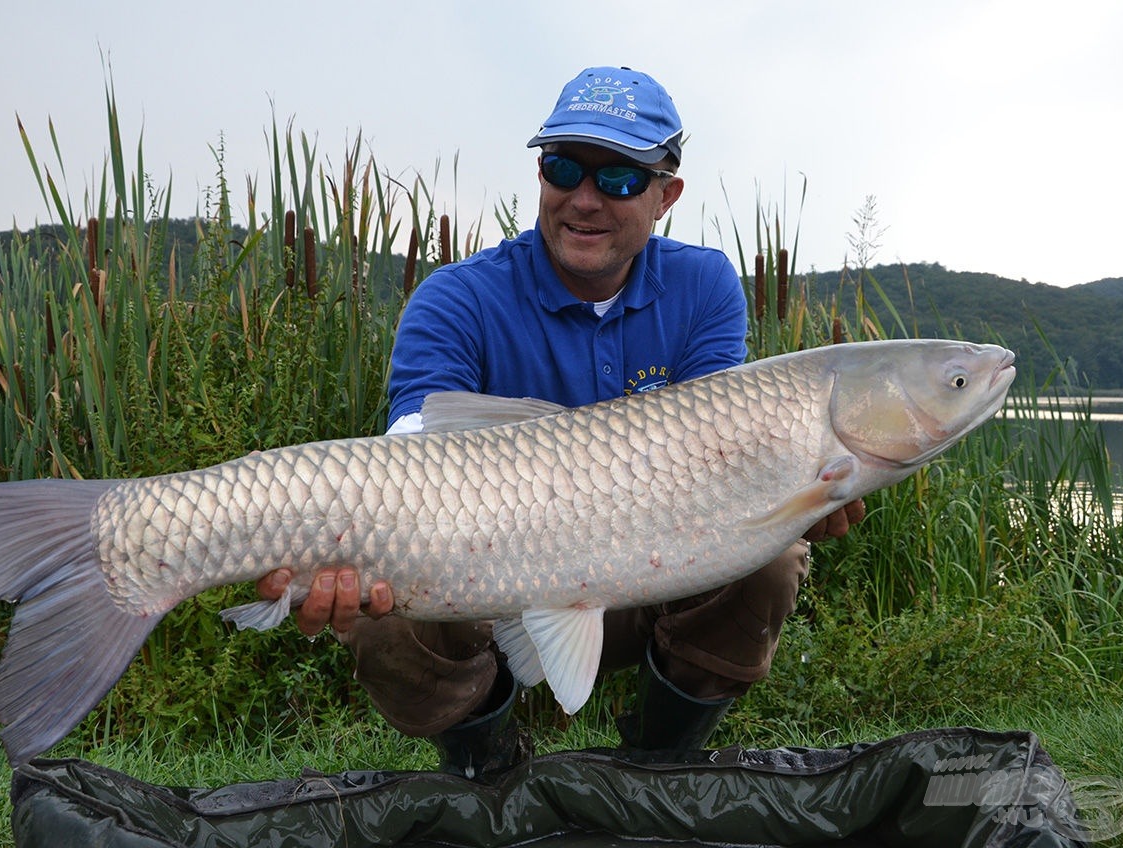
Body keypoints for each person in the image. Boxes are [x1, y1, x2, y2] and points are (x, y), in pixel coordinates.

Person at [256, 66, 864, 777]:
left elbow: (720, 467)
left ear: (667, 194)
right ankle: (487, 765)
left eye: (619, 180)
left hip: (643, 574)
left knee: (774, 555)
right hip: (479, 586)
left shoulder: (704, 287)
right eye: (564, 168)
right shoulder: (455, 298)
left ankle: (658, 768)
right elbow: (408, 464)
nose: (584, 200)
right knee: (380, 610)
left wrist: (788, 502)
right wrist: (344, 548)